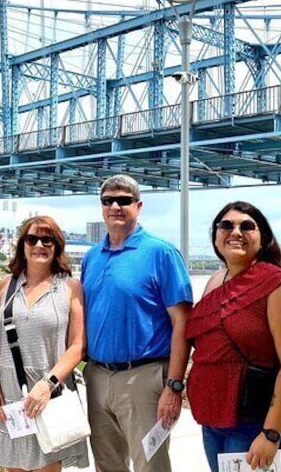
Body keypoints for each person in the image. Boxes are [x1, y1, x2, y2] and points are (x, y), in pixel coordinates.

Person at [186, 201, 281, 472]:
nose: (236, 232)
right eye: (226, 225)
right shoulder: (216, 280)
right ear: (216, 235)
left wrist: (271, 433)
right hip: (215, 419)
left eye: (247, 226)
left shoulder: (280, 286)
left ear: (263, 237)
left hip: (256, 422)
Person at [81, 174, 193, 472]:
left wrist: (174, 385)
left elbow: (183, 323)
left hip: (144, 378)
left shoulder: (161, 253)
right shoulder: (91, 258)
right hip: (97, 376)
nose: (115, 206)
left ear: (138, 206)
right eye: (108, 201)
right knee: (107, 465)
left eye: (124, 201)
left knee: (151, 466)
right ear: (101, 207)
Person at [0, 215, 89, 471]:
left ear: (57, 246)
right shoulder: (7, 285)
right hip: (11, 394)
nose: (39, 245)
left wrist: (48, 384)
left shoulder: (69, 287)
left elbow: (77, 346)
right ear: (23, 245)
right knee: (14, 466)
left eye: (47, 240)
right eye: (32, 239)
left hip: (49, 392)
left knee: (48, 465)